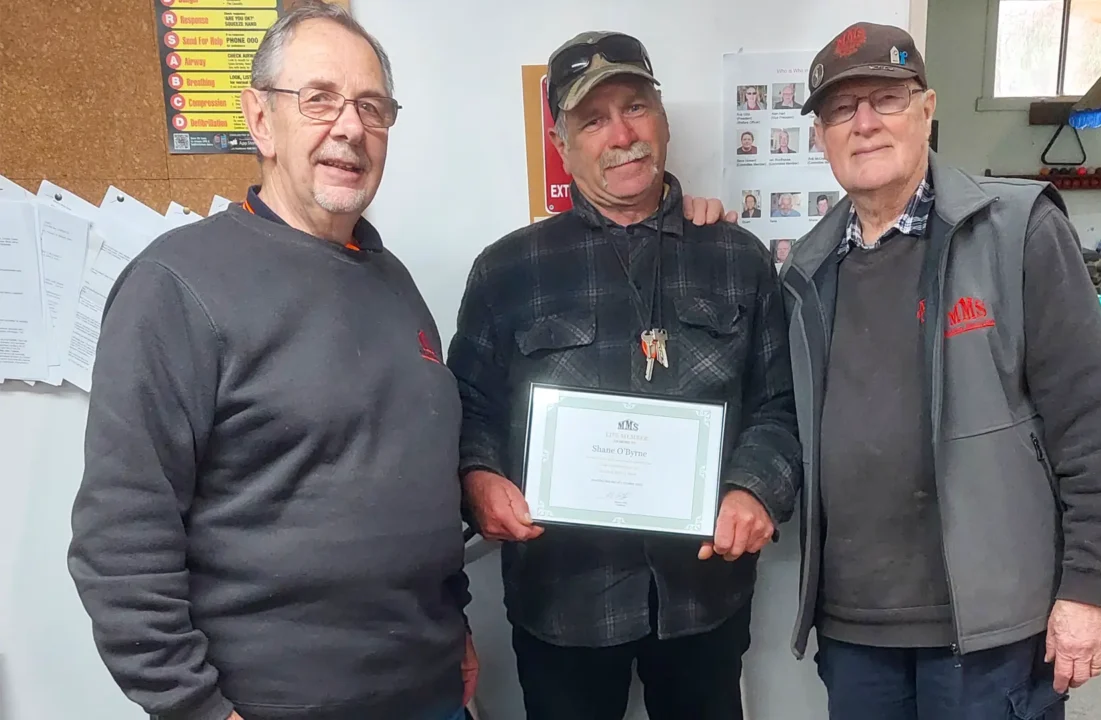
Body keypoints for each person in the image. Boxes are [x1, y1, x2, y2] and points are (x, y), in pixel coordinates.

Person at [67, 4, 480, 720]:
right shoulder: (176, 287)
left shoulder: (395, 284)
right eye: (318, 98)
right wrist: (196, 708)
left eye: (372, 107)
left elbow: (416, 486)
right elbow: (121, 540)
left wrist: (458, 625)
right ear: (260, 120)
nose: (349, 127)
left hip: (431, 690)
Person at [779, 22, 1101, 719]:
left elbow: (1093, 421)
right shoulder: (806, 271)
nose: (863, 123)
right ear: (820, 136)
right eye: (839, 109)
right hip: (857, 627)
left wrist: (1092, 588)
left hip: (989, 628)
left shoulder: (1018, 230)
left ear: (926, 107)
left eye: (885, 98)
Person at [447, 30, 801, 720]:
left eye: (636, 107)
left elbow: (780, 403)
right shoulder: (507, 270)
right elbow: (468, 408)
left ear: (663, 120)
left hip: (703, 595)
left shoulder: (738, 257)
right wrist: (479, 479)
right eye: (593, 119)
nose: (622, 134)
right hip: (562, 600)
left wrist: (755, 490)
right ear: (563, 141)